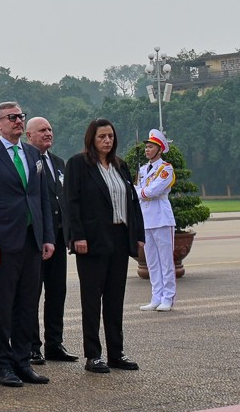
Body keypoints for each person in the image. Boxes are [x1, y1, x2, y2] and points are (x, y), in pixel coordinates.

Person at [0, 100, 55, 387]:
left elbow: (41, 197)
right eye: (12, 117)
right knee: (2, 307)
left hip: (31, 241)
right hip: (2, 243)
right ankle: (3, 365)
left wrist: (47, 237)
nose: (19, 121)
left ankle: (22, 362)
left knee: (27, 306)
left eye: (21, 116)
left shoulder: (33, 154)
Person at [63, 119, 142, 373]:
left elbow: (133, 202)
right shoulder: (79, 164)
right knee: (92, 299)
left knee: (115, 298)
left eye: (110, 136)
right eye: (102, 137)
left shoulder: (121, 165)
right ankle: (93, 355)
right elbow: (71, 203)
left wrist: (137, 236)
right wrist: (78, 236)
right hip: (92, 241)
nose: (107, 140)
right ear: (91, 139)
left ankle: (116, 353)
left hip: (119, 238)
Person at [26, 116, 75, 363]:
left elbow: (64, 200)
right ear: (29, 136)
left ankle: (55, 344)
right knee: (32, 294)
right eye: (42, 130)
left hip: (57, 238)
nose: (48, 133)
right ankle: (33, 346)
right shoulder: (27, 161)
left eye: (50, 129)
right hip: (35, 240)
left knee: (57, 293)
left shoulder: (58, 162)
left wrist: (68, 233)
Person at [137, 130, 177, 312]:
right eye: (146, 146)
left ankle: (168, 297)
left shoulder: (166, 168)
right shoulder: (143, 169)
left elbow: (151, 192)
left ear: (159, 150)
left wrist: (139, 193)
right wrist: (140, 193)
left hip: (161, 217)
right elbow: (141, 191)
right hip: (146, 218)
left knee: (166, 261)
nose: (147, 149)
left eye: (151, 146)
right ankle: (156, 296)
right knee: (152, 261)